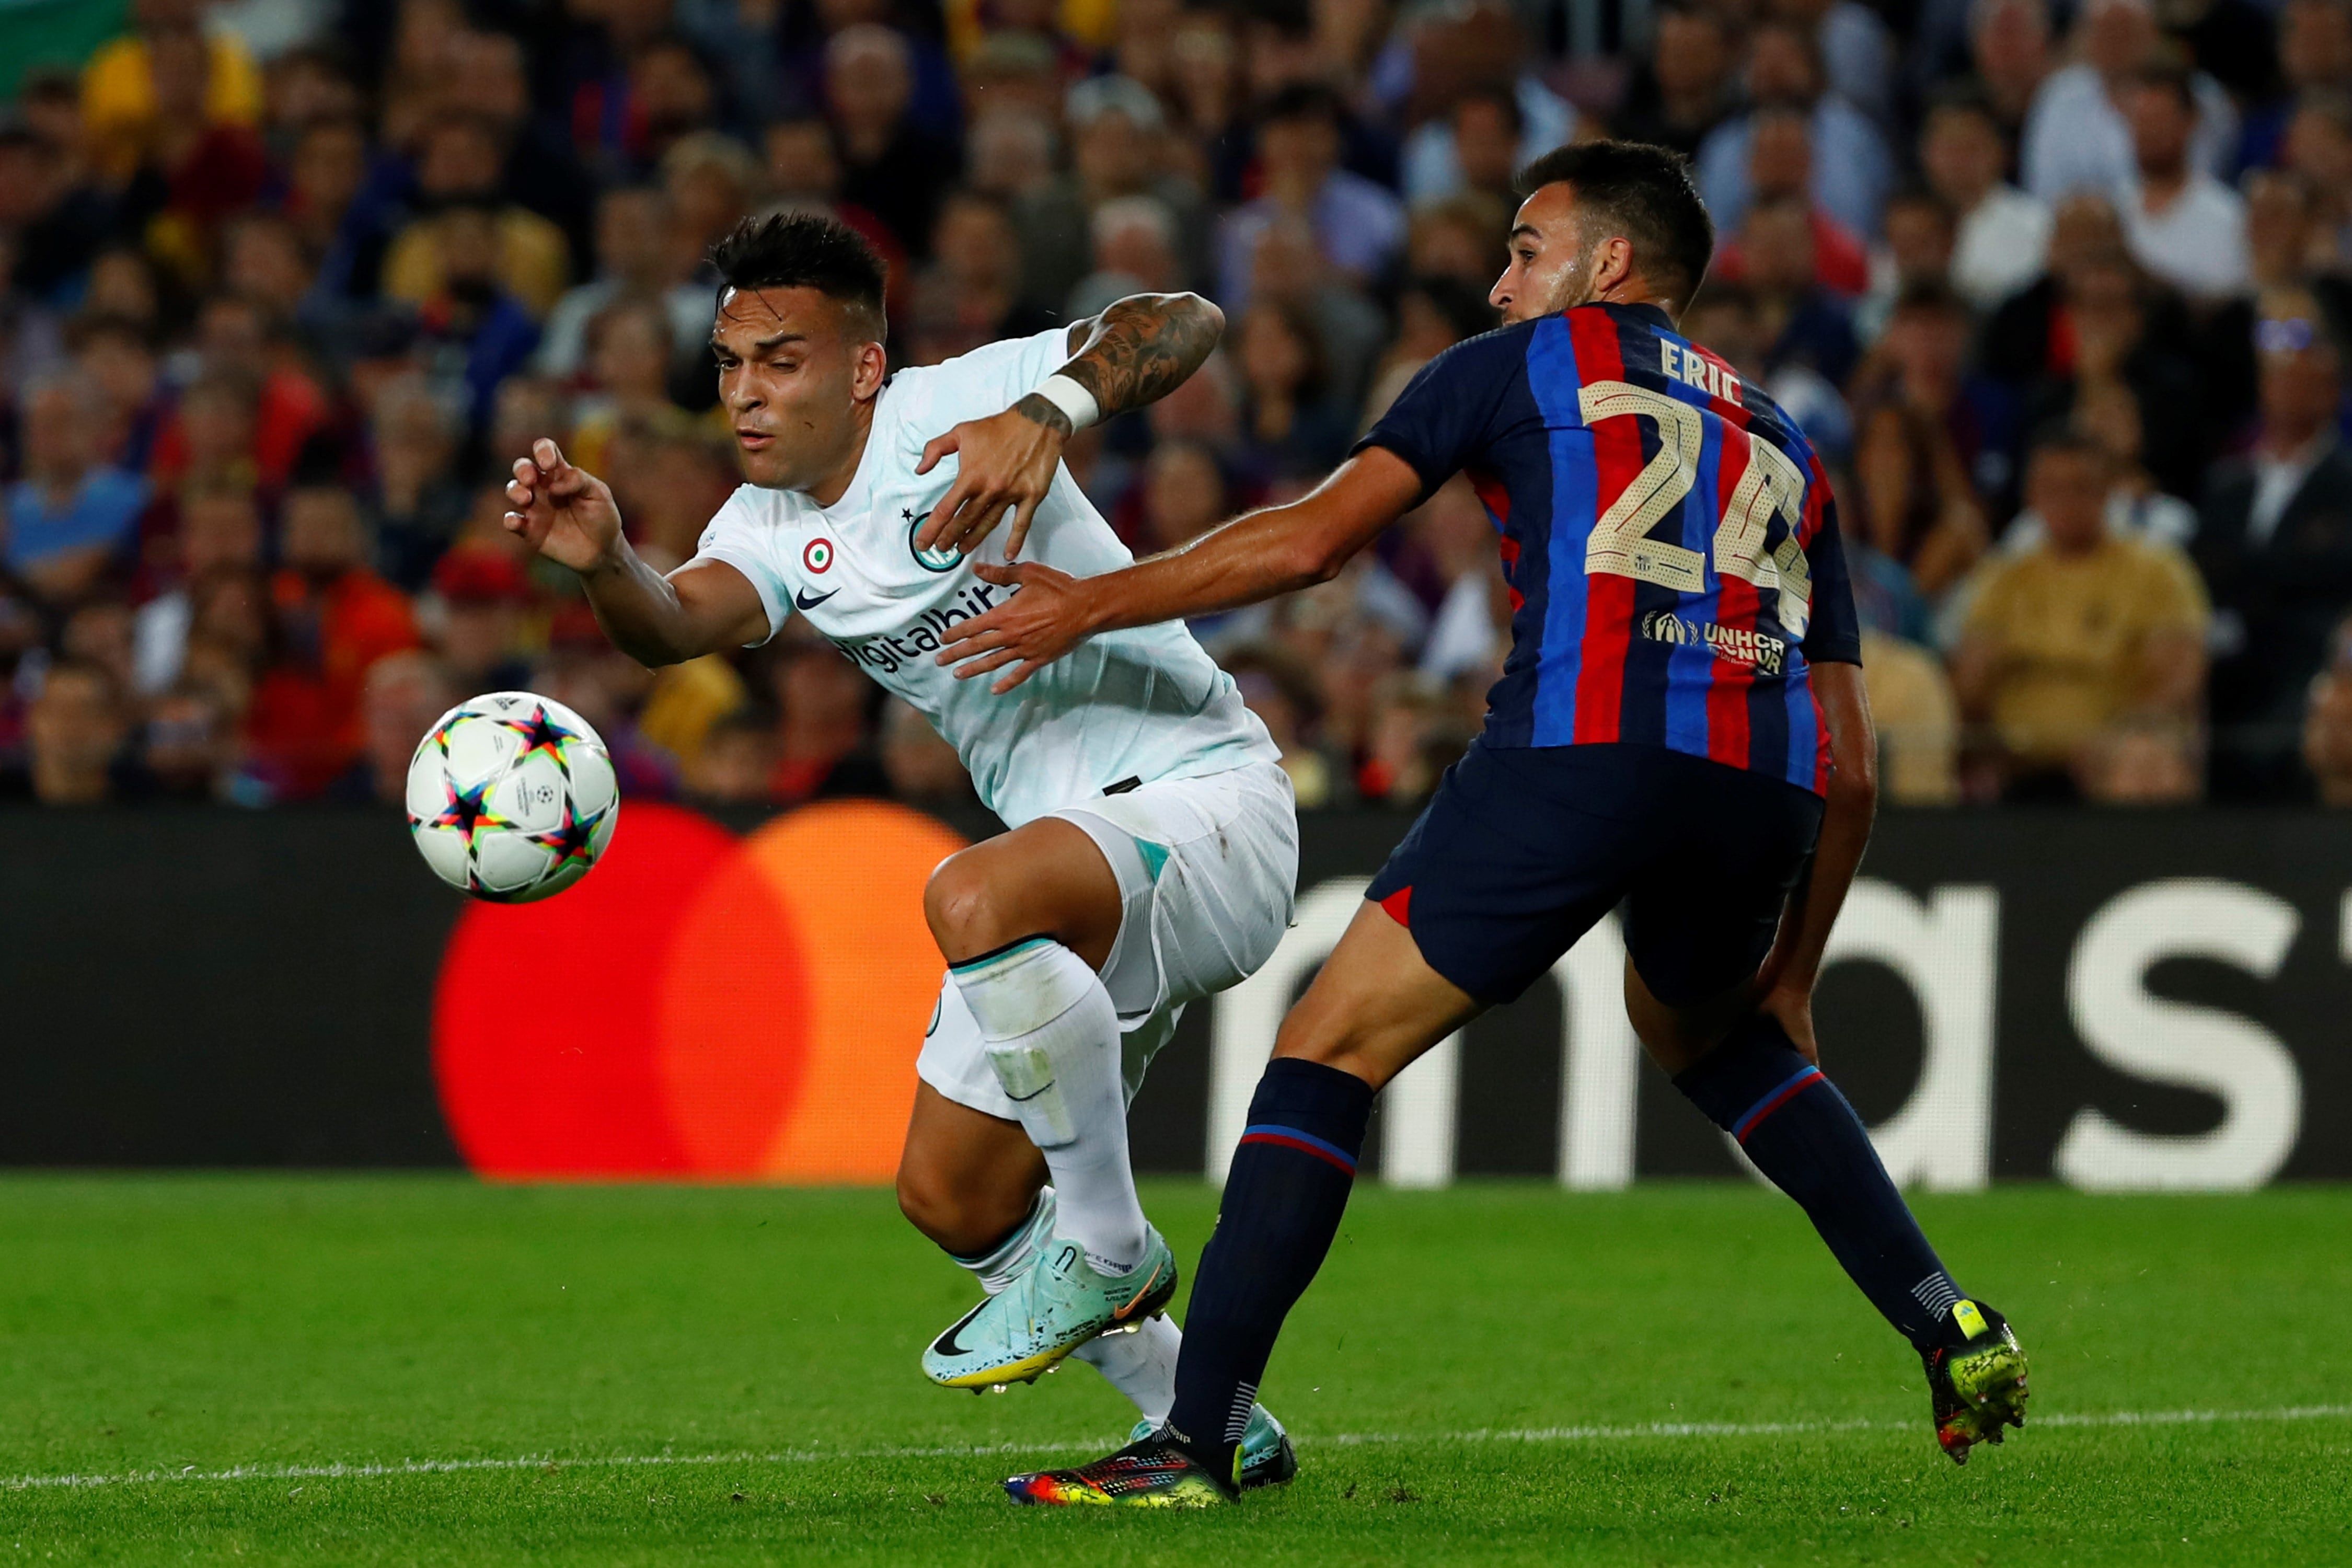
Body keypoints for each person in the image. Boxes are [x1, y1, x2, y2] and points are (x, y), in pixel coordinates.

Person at [942, 142, 2032, 1506]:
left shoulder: (1513, 365)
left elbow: (1309, 543)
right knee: (1713, 1037)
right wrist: (1795, 975)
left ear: (1608, 266)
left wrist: (1086, 602)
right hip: (1762, 784)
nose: (1502, 277)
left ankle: (1197, 1437)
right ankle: (1951, 1324)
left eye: (1526, 246)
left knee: (1324, 1050)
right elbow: (1857, 766)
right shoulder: (1784, 437)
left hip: (1581, 748)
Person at [498, 211, 1302, 1483]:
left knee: (972, 892)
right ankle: (1206, 1423)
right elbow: (671, 626)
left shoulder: (967, 400)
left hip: (1210, 799)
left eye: (782, 359)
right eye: (729, 364)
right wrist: (604, 564)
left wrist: (1054, 409)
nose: (747, 394)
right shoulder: (764, 523)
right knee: (953, 1197)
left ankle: (1106, 1242)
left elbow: (1182, 319)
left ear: (863, 368)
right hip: (1080, 856)